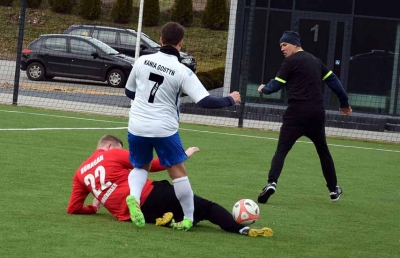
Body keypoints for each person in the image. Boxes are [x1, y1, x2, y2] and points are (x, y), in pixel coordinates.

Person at [124, 22, 241, 230]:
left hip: (137, 126)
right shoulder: (181, 71)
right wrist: (231, 99)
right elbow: (205, 101)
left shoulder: (142, 61)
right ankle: (188, 217)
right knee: (178, 171)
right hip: (164, 129)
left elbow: (129, 91)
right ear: (180, 43)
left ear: (160, 40)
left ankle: (133, 197)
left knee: (141, 166)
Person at [67, 135, 273, 237]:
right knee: (204, 207)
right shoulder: (112, 153)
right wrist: (182, 156)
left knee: (187, 214)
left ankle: (171, 219)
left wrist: (93, 207)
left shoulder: (80, 173)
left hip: (130, 216)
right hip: (149, 195)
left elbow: (73, 209)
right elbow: (151, 165)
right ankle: (241, 229)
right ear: (111, 146)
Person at [257, 31, 352, 204]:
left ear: (294, 44)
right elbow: (334, 82)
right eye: (280, 46)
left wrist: (263, 88)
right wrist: (344, 103)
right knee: (323, 151)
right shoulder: (316, 61)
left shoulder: (290, 62)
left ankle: (271, 183)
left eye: (285, 45)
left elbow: (276, 85)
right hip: (316, 114)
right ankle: (333, 190)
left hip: (295, 114)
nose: (282, 49)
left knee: (282, 150)